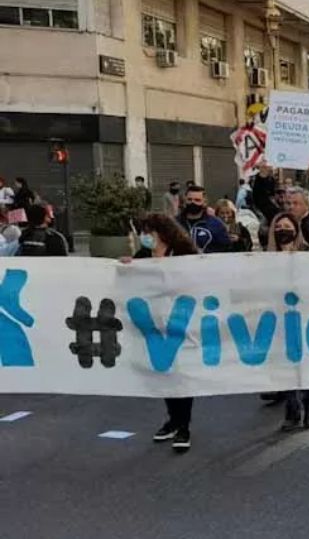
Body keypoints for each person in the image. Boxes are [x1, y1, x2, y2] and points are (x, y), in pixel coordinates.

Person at [121, 214, 199, 451]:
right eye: (143, 231)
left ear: (163, 232)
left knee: (181, 375)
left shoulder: (184, 253)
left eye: (149, 231)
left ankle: (183, 426)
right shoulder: (144, 256)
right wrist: (125, 267)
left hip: (181, 320)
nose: (145, 236)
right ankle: (173, 420)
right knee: (164, 372)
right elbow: (130, 278)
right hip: (154, 325)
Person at [265, 213, 309, 430]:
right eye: (278, 227)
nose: (282, 230)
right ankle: (292, 410)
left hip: (306, 318)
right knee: (285, 366)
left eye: (287, 226)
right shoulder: (267, 258)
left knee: (306, 366)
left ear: (296, 230)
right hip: (279, 319)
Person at [252, 165, 309, 252]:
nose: (291, 207)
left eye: (296, 203)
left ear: (307, 204)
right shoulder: (280, 218)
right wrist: (262, 176)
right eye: (288, 203)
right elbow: (260, 199)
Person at [176, 185, 229, 254]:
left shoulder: (216, 225)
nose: (192, 203)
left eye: (197, 200)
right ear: (185, 200)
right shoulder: (174, 223)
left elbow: (226, 249)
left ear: (204, 202)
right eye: (189, 199)